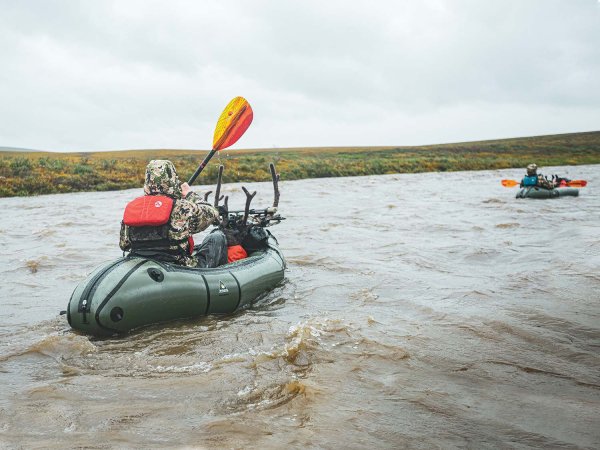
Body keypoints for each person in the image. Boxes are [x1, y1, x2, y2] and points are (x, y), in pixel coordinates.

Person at [119, 160, 228, 268]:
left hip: (141, 264)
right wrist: (189, 194)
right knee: (217, 237)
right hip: (178, 266)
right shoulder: (182, 207)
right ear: (172, 179)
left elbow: (124, 244)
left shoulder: (133, 208)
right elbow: (211, 213)